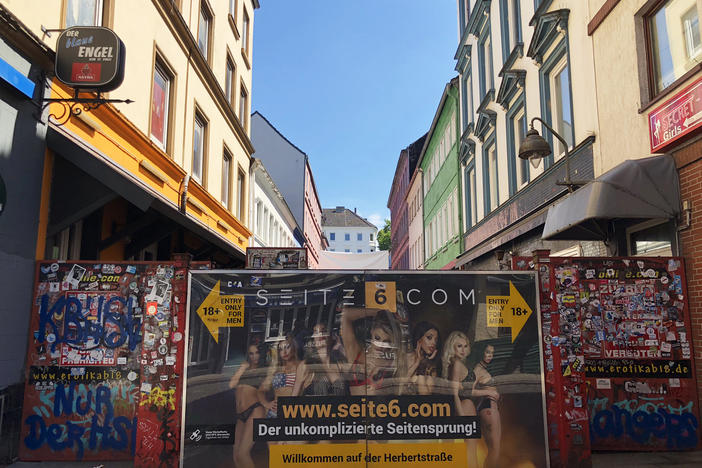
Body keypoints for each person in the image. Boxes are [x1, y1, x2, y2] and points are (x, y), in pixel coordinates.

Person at [341, 306, 406, 395]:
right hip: (353, 408)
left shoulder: (393, 364)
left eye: (386, 342)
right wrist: (380, 311)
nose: (380, 346)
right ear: (371, 331)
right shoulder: (357, 353)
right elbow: (346, 314)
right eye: (377, 338)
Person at [229, 343, 266, 468]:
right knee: (236, 455)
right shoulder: (244, 369)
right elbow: (232, 385)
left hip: (254, 410)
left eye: (257, 353)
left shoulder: (262, 371)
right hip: (240, 415)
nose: (254, 356)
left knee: (243, 454)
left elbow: (263, 391)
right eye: (251, 353)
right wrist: (242, 368)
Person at [293, 322, 348, 397]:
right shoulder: (305, 365)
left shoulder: (340, 364)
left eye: (324, 331)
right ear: (313, 339)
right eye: (316, 332)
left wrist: (340, 347)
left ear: (332, 336)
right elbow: (293, 398)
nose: (320, 335)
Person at [473, 343, 501, 468]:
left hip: (489, 407)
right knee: (495, 449)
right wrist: (489, 392)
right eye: (487, 352)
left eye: (492, 353)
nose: (490, 356)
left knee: (493, 449)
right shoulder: (477, 370)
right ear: (481, 352)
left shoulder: (484, 368)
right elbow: (470, 391)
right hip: (488, 407)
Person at [259, 335, 301, 418]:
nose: (284, 352)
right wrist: (266, 404)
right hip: (275, 413)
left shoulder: (301, 367)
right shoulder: (276, 370)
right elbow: (260, 391)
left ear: (293, 348)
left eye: (287, 347)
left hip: (294, 413)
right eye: (281, 349)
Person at [405, 321, 440, 395]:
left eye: (436, 340)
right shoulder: (409, 356)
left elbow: (428, 393)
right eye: (429, 338)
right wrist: (417, 363)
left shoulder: (430, 363)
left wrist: (427, 362)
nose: (434, 343)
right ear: (419, 338)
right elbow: (400, 384)